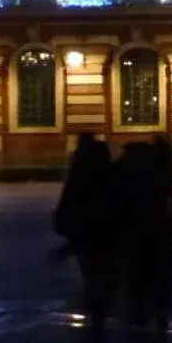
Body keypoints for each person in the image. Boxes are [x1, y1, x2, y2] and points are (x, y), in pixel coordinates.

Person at [54, 134, 122, 331]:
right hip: (109, 233)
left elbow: (68, 203)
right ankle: (101, 307)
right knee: (106, 273)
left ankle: (95, 311)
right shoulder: (113, 175)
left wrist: (66, 228)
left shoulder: (79, 176)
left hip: (86, 233)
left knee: (91, 274)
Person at [116, 140, 172, 331]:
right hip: (159, 227)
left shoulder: (125, 173)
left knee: (138, 274)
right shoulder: (160, 173)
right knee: (161, 272)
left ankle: (140, 314)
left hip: (136, 230)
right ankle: (161, 311)